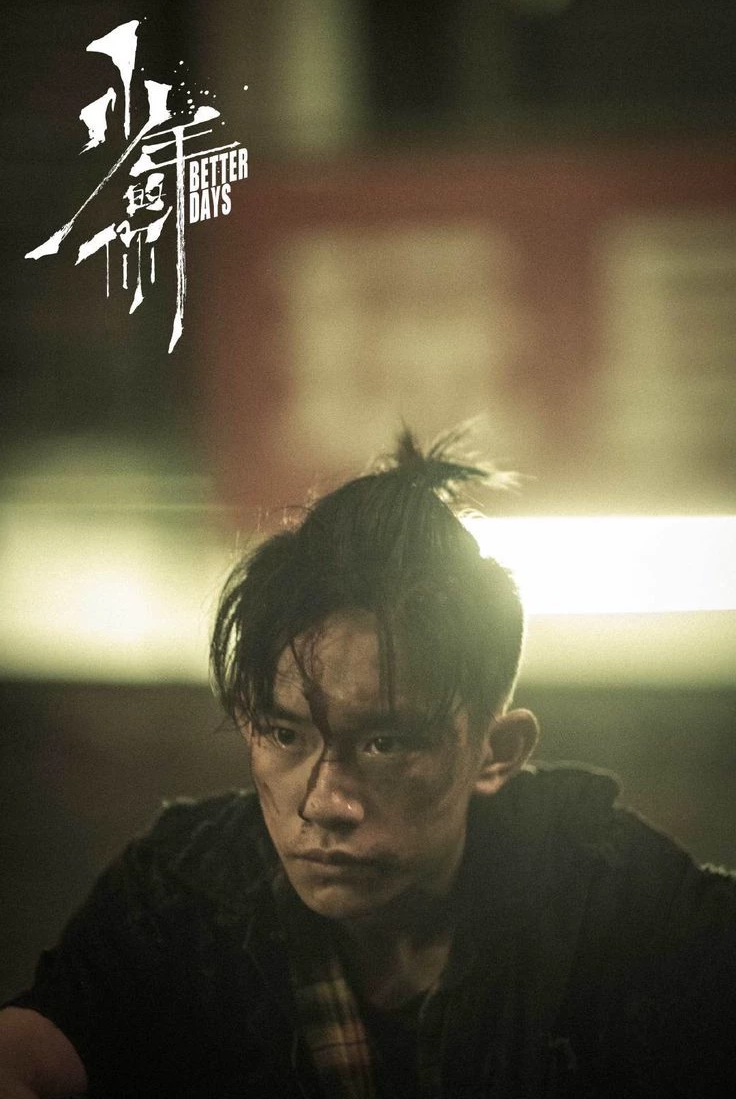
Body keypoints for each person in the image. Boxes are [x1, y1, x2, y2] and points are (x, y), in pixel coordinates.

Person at [0, 428, 734, 1099]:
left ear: (496, 753)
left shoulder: (617, 903)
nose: (324, 803)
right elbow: (26, 1052)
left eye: (385, 743)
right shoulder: (181, 896)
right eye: (284, 734)